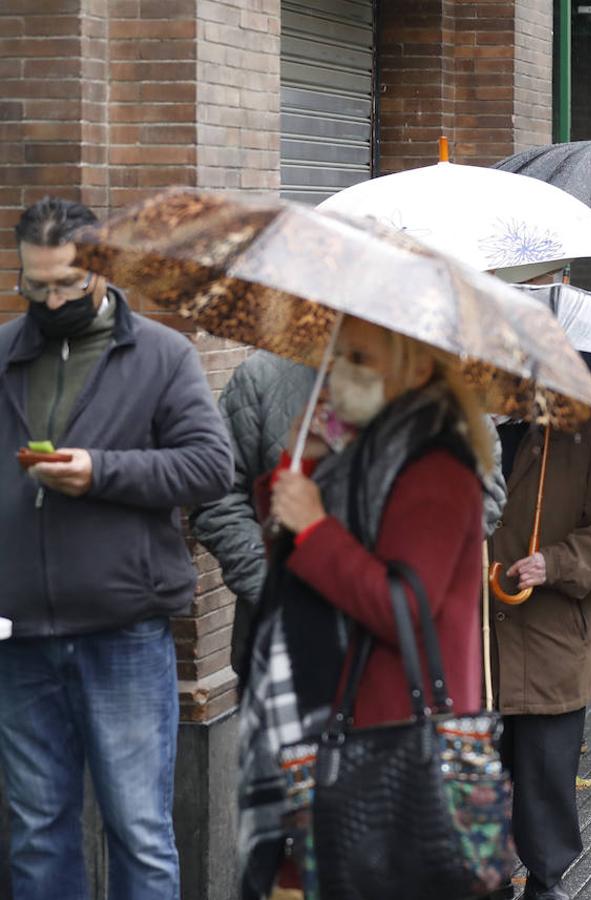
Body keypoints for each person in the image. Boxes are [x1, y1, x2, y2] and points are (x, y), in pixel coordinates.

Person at [0, 197, 233, 899]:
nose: (51, 299)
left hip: (123, 632)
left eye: (67, 283)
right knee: (37, 834)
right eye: (35, 286)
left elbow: (210, 466)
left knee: (139, 831)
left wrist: (101, 471)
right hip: (20, 638)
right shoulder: (5, 354)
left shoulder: (162, 354)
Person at [237, 316, 506, 898]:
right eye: (340, 355)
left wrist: (314, 527)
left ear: (415, 366)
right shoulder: (359, 452)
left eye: (360, 359)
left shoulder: (436, 467)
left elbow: (403, 607)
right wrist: (300, 464)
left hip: (391, 743)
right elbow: (300, 573)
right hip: (334, 728)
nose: (338, 371)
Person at [486, 416, 591, 900]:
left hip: (550, 641)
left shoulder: (581, 433)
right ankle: (483, 877)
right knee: (472, 776)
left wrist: (555, 563)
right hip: (470, 638)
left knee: (546, 774)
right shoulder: (448, 425)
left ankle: (545, 879)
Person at [191, 350, 314, 673]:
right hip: (278, 643)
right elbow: (217, 497)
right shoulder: (262, 377)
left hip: (387, 649)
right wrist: (269, 587)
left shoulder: (423, 392)